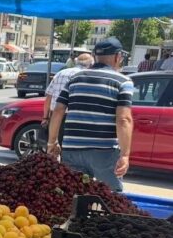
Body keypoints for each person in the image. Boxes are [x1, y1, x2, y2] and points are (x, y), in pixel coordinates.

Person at [47, 37, 134, 192]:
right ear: (118, 57)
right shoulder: (123, 81)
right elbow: (123, 119)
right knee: (110, 198)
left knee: (72, 195)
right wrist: (125, 155)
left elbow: (58, 110)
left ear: (95, 56)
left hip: (72, 149)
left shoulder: (75, 78)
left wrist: (52, 142)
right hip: (104, 152)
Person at [42, 53, 94, 129]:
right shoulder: (88, 76)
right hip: (74, 118)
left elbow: (49, 97)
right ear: (91, 64)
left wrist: (45, 117)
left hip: (55, 115)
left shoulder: (60, 73)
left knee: (53, 140)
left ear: (76, 62)